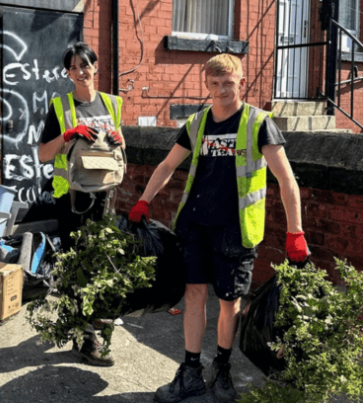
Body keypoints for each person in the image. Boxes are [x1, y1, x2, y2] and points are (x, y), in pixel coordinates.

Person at [128, 54, 309, 403]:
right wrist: (144, 199)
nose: (222, 89)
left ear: (242, 83)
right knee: (194, 296)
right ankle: (191, 371)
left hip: (235, 230)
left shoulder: (258, 123)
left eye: (229, 82)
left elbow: (286, 180)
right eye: (215, 83)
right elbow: (167, 165)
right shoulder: (197, 124)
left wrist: (295, 230)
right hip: (195, 226)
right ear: (206, 85)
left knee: (229, 302)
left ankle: (222, 370)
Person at [38, 42, 125, 367]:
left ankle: (96, 319)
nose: (80, 72)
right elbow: (44, 154)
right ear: (68, 73)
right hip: (71, 197)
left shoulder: (113, 104)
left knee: (101, 261)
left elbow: (120, 145)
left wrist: (118, 138)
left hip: (105, 194)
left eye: (85, 65)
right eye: (74, 67)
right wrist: (69, 133)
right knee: (77, 264)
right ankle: (83, 337)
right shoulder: (60, 106)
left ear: (95, 66)